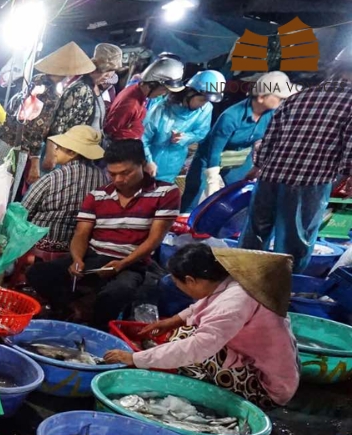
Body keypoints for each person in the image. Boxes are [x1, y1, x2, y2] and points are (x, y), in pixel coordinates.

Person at [102, 245, 298, 407]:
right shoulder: (232, 283)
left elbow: (197, 347)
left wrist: (135, 358)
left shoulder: (232, 303)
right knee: (183, 332)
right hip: (265, 364)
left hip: (266, 386)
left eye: (179, 284)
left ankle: (221, 398)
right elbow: (204, 308)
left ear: (190, 280)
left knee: (189, 354)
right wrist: (171, 322)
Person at [26, 139, 179, 327]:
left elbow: (154, 239)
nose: (118, 180)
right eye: (112, 174)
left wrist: (123, 263)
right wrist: (77, 259)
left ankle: (95, 328)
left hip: (133, 262)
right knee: (37, 273)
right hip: (95, 257)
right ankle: (71, 310)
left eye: (126, 173)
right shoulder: (98, 195)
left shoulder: (165, 192)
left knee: (117, 292)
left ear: (142, 164)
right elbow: (81, 234)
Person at [240, 48, 352, 272]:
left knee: (255, 236)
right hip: (309, 182)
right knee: (293, 244)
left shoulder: (299, 97)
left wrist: (258, 166)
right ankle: (280, 293)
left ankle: (240, 284)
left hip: (270, 178)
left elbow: (270, 137)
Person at [180, 72, 291, 213]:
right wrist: (213, 178)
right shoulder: (230, 117)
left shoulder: (272, 115)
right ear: (262, 97)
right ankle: (183, 223)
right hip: (210, 157)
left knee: (238, 196)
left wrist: (258, 167)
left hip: (239, 159)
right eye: (279, 97)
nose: (282, 101)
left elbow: (270, 142)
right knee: (195, 193)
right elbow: (214, 150)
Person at [0, 43, 95, 183]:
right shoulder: (51, 94)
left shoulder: (36, 79)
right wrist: (35, 162)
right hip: (14, 150)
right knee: (2, 197)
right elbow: (37, 128)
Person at [21, 126, 108, 257]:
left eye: (60, 147)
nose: (55, 150)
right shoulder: (103, 179)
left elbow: (23, 212)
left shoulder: (53, 178)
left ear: (72, 153)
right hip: (79, 249)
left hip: (40, 245)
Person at [43, 44, 122, 174]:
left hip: (80, 156)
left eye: (112, 71)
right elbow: (59, 122)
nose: (109, 75)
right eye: (107, 71)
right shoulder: (80, 89)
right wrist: (51, 155)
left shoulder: (97, 89)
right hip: (66, 155)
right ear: (95, 69)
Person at [142, 70, 225, 183]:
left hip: (174, 164)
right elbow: (143, 138)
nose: (203, 104)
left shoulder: (205, 109)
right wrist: (148, 161)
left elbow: (201, 132)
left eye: (207, 101)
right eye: (202, 99)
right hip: (149, 165)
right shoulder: (161, 109)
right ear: (190, 92)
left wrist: (184, 137)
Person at [103, 57, 186, 144]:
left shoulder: (139, 94)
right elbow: (111, 132)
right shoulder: (131, 104)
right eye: (164, 89)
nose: (163, 94)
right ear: (152, 84)